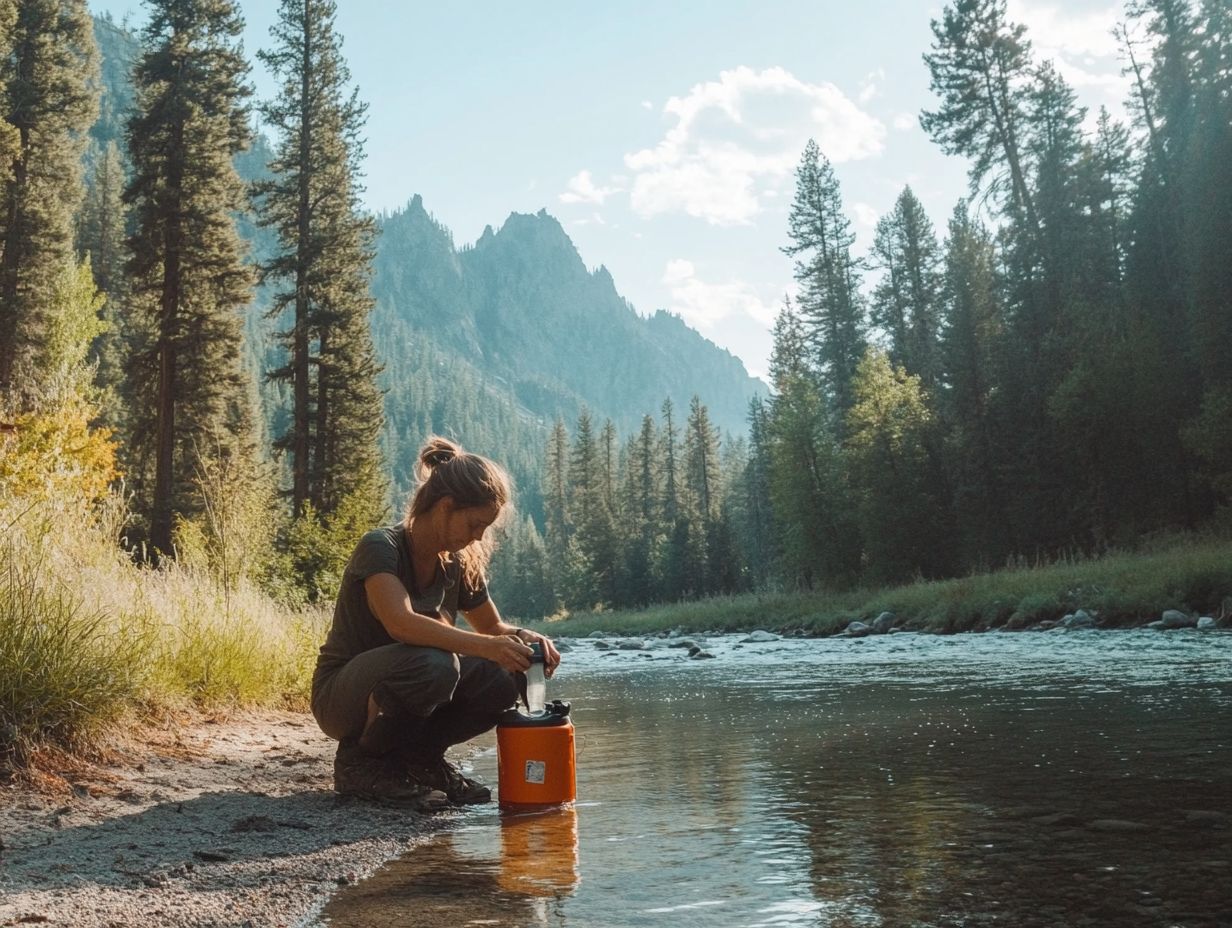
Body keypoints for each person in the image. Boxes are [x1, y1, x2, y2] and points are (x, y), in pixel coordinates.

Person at [311, 436, 561, 809]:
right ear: (445, 507)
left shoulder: (459, 561)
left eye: (486, 528)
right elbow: (401, 624)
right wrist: (488, 647)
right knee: (434, 664)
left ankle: (421, 761)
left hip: (411, 675)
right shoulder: (382, 547)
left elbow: (492, 629)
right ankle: (361, 765)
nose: (479, 536)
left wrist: (523, 639)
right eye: (475, 523)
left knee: (503, 675)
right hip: (341, 696)